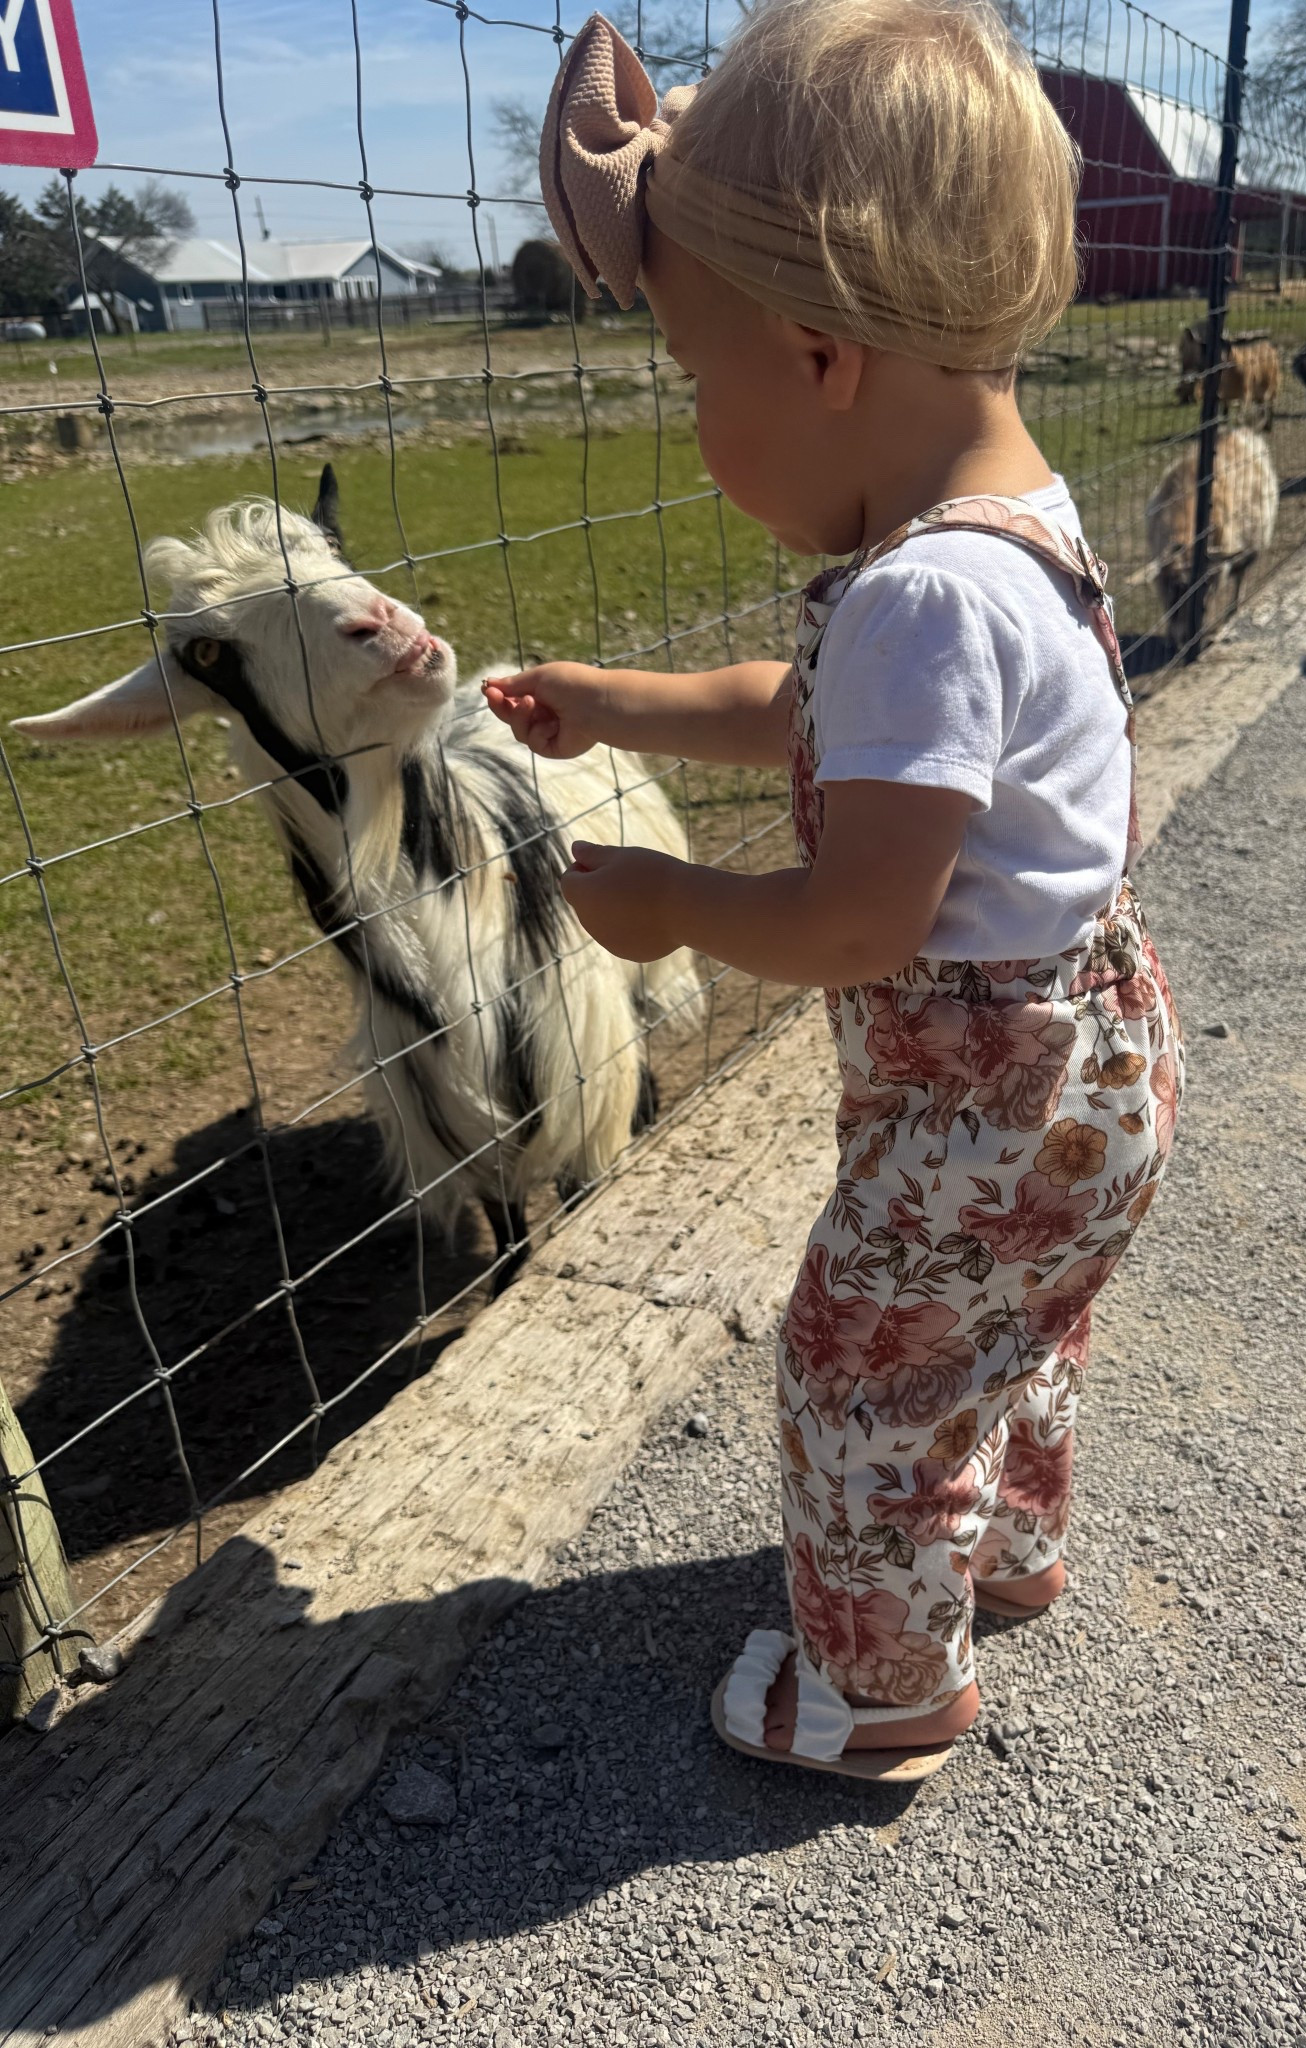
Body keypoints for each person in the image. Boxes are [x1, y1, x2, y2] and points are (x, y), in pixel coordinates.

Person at [483, 0, 1183, 1781]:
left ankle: (880, 1687)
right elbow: (826, 727)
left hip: (983, 1091)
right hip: (1096, 1060)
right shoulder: (1010, 531)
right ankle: (998, 1552)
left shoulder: (919, 599)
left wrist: (671, 904)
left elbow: (861, 916)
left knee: (862, 1359)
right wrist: (610, 702)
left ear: (818, 355)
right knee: (1009, 1321)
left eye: (697, 379)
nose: (701, 423)